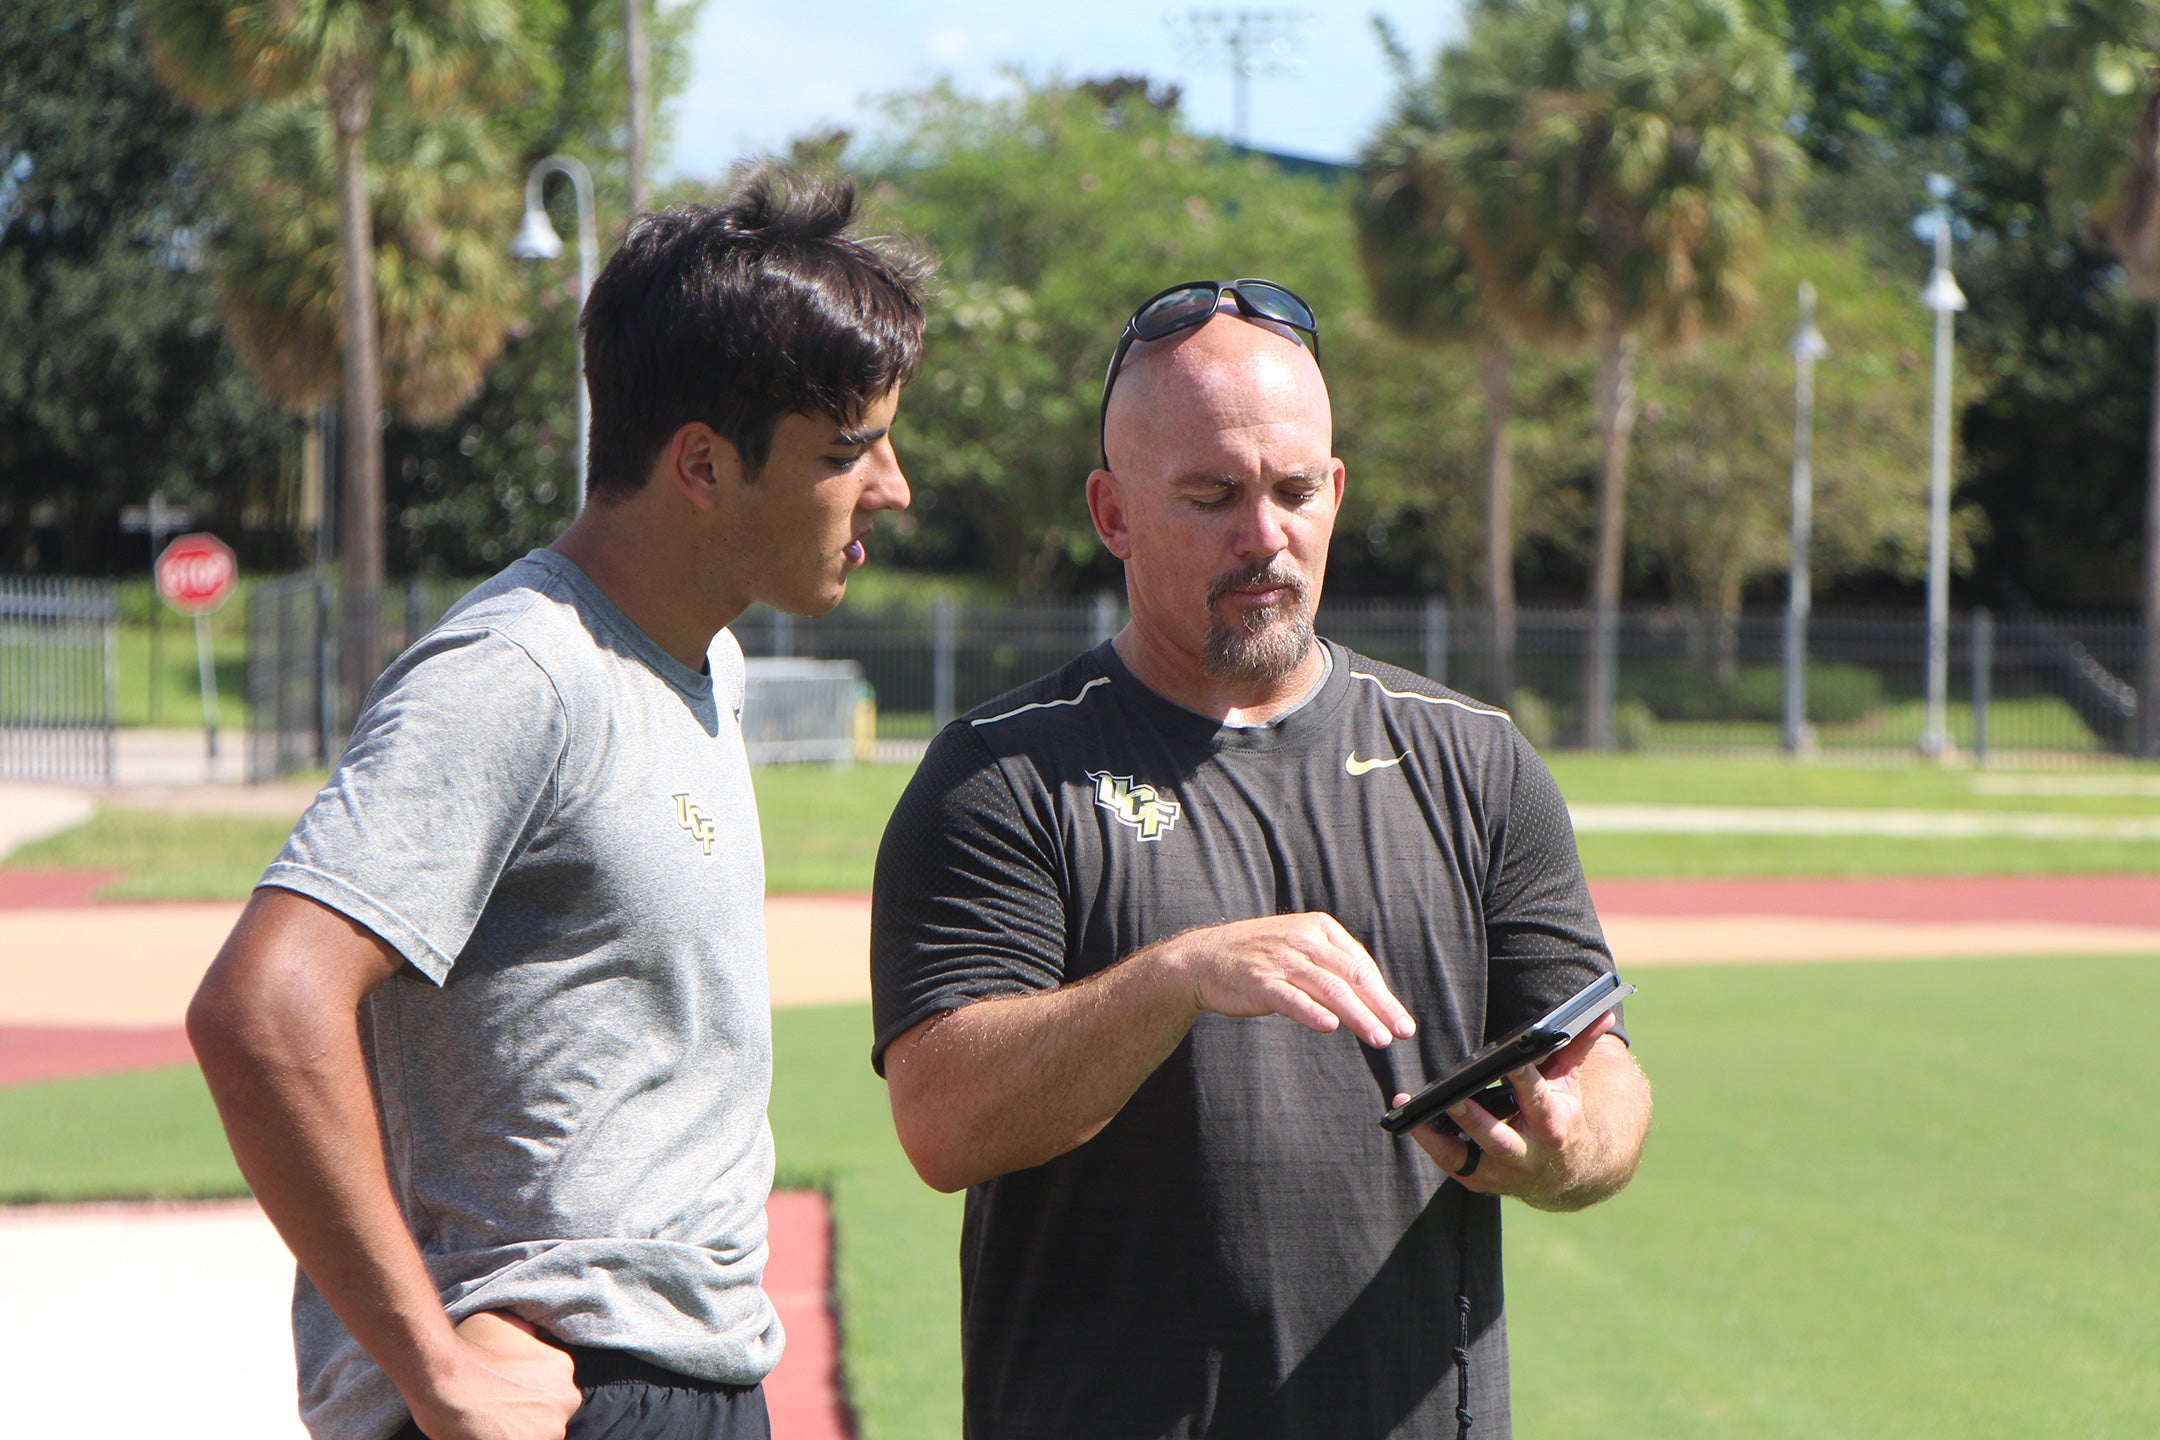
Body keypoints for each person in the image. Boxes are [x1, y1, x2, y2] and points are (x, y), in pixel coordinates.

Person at [186, 168, 924, 1440]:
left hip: (683, 1381)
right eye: (847, 451)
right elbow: (263, 1005)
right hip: (568, 1392)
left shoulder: (708, 659)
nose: (893, 488)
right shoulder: (521, 672)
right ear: (701, 463)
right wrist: (436, 1366)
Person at [870, 278, 1652, 1439]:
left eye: (1294, 491)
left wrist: (1564, 1145)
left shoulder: (1475, 761)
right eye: (1210, 497)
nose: (1264, 536)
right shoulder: (1002, 773)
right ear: (1113, 512)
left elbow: (1606, 1076)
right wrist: (1178, 978)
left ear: (1334, 492)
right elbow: (944, 1121)